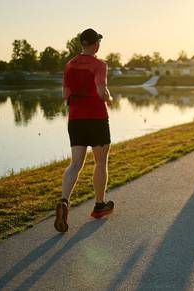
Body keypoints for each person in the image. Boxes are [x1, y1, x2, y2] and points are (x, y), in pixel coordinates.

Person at [55, 28, 114, 233]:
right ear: (96, 44)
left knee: (75, 164)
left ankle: (64, 202)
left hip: (76, 119)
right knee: (100, 162)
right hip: (96, 118)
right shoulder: (99, 65)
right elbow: (100, 92)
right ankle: (99, 206)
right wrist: (109, 97)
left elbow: (65, 94)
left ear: (82, 44)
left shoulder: (69, 65)